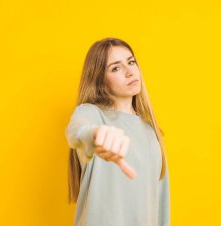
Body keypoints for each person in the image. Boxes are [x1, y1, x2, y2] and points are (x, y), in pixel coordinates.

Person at [65, 37, 170, 226]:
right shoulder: (91, 113)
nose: (130, 72)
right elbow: (76, 131)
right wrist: (96, 134)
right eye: (116, 68)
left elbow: (160, 203)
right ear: (100, 81)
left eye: (131, 62)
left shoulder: (151, 130)